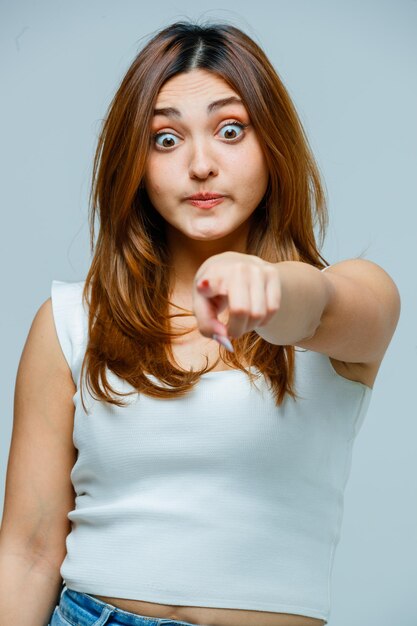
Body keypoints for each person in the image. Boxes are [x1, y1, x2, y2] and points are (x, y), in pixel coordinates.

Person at [0, 19, 401, 626]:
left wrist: (265, 288)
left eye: (230, 129)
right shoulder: (70, 319)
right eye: (166, 138)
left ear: (273, 146)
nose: (201, 163)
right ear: (134, 162)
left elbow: (319, 305)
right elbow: (28, 552)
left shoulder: (354, 298)